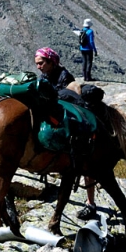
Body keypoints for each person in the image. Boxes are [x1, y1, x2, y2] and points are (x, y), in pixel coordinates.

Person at [34, 47, 97, 220]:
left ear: (51, 62)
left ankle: (90, 202)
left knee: (85, 164)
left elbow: (65, 101)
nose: (38, 67)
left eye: (41, 63)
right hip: (59, 121)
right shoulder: (45, 76)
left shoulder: (65, 78)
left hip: (72, 126)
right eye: (37, 64)